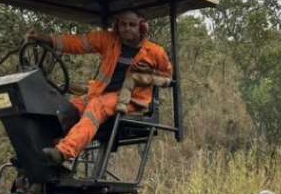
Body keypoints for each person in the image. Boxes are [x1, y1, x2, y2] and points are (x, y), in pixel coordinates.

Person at [27, 9, 173, 165]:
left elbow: (168, 77)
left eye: (132, 25)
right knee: (65, 109)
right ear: (117, 26)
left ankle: (63, 152)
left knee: (97, 106)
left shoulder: (155, 52)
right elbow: (77, 43)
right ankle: (39, 160)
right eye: (123, 24)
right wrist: (47, 39)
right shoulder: (108, 40)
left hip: (130, 100)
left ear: (142, 27)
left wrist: (151, 71)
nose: (127, 28)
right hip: (100, 94)